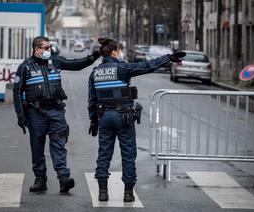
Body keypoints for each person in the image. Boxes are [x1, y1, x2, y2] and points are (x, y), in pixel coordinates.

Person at [87, 37, 185, 202]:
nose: (121, 53)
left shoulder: (95, 72)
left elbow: (92, 100)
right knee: (128, 155)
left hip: (104, 117)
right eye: (119, 50)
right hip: (123, 117)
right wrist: (168, 57)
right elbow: (147, 66)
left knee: (103, 155)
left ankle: (102, 192)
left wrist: (93, 121)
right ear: (114, 52)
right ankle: (128, 193)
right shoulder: (122, 68)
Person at [13, 36, 100, 193]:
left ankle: (63, 178)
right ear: (36, 49)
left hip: (56, 111)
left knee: (59, 144)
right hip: (35, 113)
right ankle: (40, 180)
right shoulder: (25, 67)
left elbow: (76, 65)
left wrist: (94, 56)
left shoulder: (56, 61)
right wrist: (21, 116)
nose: (49, 50)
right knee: (37, 147)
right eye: (45, 48)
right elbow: (17, 92)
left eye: (49, 47)